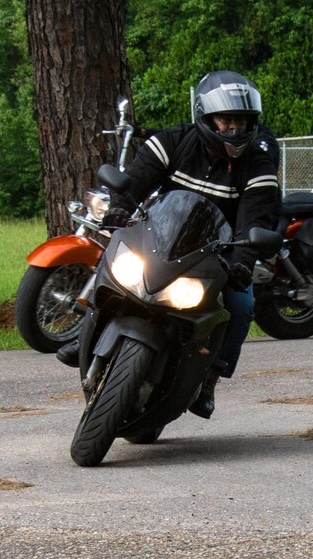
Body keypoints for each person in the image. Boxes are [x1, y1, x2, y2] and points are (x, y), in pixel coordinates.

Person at [114, 70, 281, 419]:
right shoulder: (173, 141)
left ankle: (210, 377)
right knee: (111, 257)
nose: (234, 129)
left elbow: (256, 218)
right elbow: (135, 182)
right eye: (226, 120)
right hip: (158, 238)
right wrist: (118, 207)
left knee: (242, 304)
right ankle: (85, 319)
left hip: (216, 255)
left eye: (243, 121)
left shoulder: (257, 163)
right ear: (205, 118)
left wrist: (243, 263)